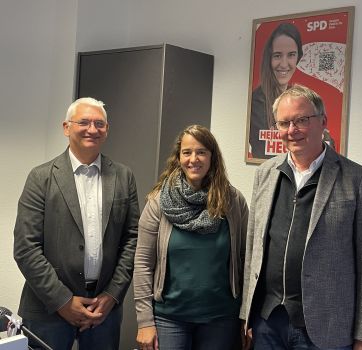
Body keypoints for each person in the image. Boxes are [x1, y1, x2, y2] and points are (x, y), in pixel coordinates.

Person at [241, 85, 362, 350]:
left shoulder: (356, 179)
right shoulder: (265, 173)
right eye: (284, 123)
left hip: (326, 330)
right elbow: (254, 250)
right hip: (268, 323)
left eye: (302, 120)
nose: (292, 130)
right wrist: (246, 316)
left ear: (323, 122)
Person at [13, 97, 140, 350]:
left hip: (103, 311)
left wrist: (112, 295)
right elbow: (26, 248)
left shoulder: (123, 177)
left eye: (99, 124)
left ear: (107, 130)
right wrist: (62, 301)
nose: (92, 129)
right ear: (66, 127)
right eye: (83, 122)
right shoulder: (41, 178)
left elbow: (132, 240)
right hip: (47, 309)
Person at [133, 125, 248, 350]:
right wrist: (144, 321)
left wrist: (247, 316)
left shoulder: (233, 202)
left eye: (201, 152)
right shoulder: (158, 202)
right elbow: (143, 264)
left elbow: (246, 260)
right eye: (187, 152)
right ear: (178, 157)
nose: (193, 159)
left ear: (212, 157)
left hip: (221, 320)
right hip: (170, 319)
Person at [250, 23, 303, 159]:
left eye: (291, 55)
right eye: (277, 56)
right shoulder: (256, 103)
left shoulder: (297, 98)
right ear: (269, 59)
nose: (284, 64)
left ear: (298, 57)